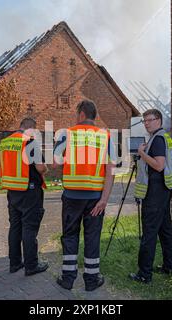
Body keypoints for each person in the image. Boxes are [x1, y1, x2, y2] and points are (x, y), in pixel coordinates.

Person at [53, 100, 116, 292]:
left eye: (76, 114)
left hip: (72, 196)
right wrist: (104, 199)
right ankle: (91, 280)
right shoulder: (105, 136)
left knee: (70, 236)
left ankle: (68, 279)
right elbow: (111, 170)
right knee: (92, 237)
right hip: (96, 198)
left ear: (81, 114)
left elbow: (55, 163)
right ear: (93, 115)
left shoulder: (67, 134)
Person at [130, 109, 172, 284]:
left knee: (149, 232)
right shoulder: (161, 136)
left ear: (159, 120)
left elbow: (159, 166)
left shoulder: (159, 139)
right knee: (165, 230)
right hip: (163, 191)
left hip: (155, 193)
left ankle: (144, 274)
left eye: (150, 120)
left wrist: (142, 154)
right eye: (144, 120)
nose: (147, 123)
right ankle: (169, 266)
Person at [0, 117, 49, 276]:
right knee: (29, 228)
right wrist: (46, 168)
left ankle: (14, 263)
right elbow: (41, 168)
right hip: (29, 191)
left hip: (12, 191)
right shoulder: (29, 142)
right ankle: (31, 265)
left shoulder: (6, 142)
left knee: (15, 227)